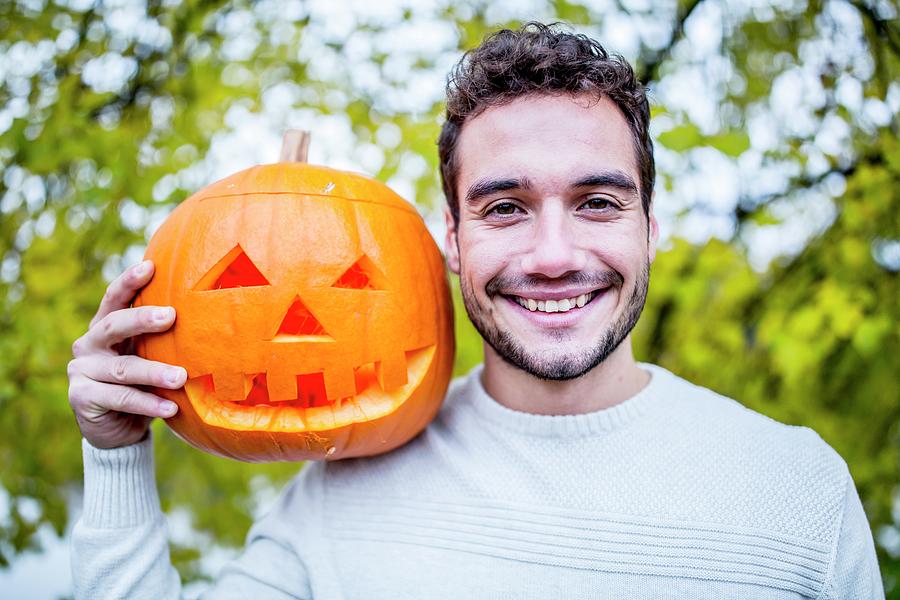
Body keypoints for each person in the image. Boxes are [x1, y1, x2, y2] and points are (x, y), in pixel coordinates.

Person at [67, 22, 883, 599]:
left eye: (598, 202)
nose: (553, 253)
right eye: (504, 209)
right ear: (451, 238)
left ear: (652, 225)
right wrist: (114, 460)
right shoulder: (337, 492)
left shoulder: (798, 490)